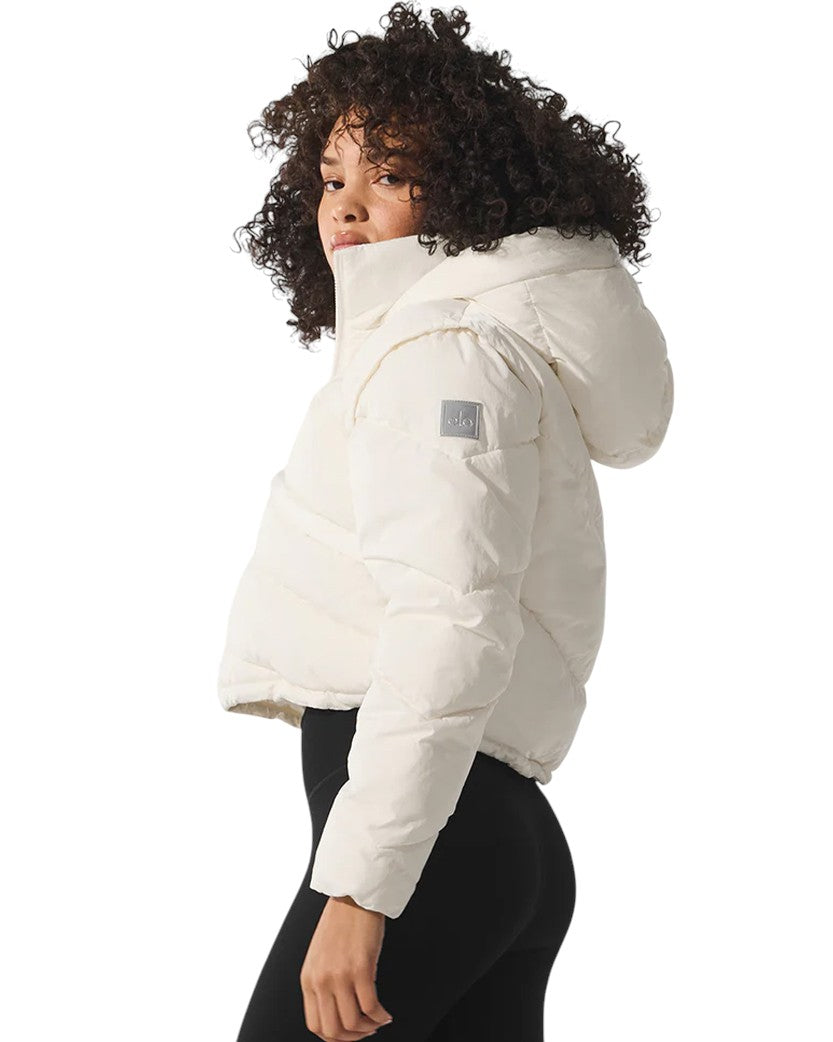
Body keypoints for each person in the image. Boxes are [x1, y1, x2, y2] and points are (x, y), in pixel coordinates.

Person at [216, 4, 674, 1039]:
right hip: (477, 834)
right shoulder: (464, 344)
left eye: (389, 173)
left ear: (467, 186)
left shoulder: (442, 356)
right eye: (332, 175)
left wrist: (361, 888)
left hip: (430, 850)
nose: (347, 204)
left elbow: (451, 618)